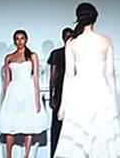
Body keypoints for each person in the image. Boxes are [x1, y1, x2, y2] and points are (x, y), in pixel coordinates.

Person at [55, 2, 120, 158]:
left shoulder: (72, 43)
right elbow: (110, 74)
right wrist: (114, 101)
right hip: (100, 92)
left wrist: (62, 105)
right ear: (95, 18)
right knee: (102, 139)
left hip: (78, 93)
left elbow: (68, 75)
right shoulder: (106, 40)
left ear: (78, 18)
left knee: (78, 141)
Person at [0, 30, 47, 158]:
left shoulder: (32, 56)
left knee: (28, 122)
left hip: (28, 89)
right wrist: (5, 98)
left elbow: (35, 78)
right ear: (14, 41)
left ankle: (27, 155)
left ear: (26, 40)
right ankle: (9, 155)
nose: (19, 41)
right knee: (10, 123)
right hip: (14, 90)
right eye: (17, 39)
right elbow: (7, 80)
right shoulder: (9, 57)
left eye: (22, 38)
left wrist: (37, 98)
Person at [47, 27, 74, 156]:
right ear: (63, 37)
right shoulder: (56, 53)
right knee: (57, 125)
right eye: (66, 36)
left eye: (70, 36)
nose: (68, 38)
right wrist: (51, 94)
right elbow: (53, 75)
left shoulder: (76, 52)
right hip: (59, 91)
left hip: (74, 89)